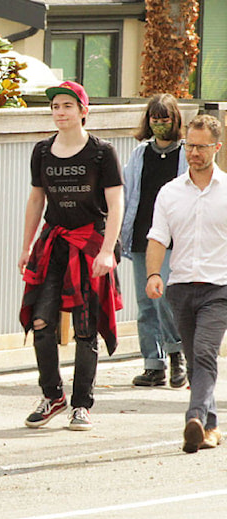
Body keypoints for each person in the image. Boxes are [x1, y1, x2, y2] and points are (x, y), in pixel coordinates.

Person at [20, 81, 123, 431]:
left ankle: (82, 404)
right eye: (55, 107)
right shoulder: (42, 151)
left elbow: (115, 202)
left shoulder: (101, 152)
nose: (60, 112)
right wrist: (26, 246)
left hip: (90, 243)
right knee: (41, 323)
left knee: (85, 329)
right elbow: (37, 200)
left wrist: (107, 250)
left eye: (67, 106)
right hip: (54, 244)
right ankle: (53, 396)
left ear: (83, 110)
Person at [146, 114, 227, 453]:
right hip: (180, 287)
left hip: (219, 288)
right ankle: (209, 428)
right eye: (189, 146)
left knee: (206, 352)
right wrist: (153, 274)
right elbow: (157, 239)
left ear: (217, 148)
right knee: (195, 361)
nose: (193, 153)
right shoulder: (170, 193)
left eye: (201, 146)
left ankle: (193, 417)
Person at [121, 94, 186, 388]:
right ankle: (153, 363)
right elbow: (126, 193)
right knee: (145, 303)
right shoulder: (139, 154)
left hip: (172, 240)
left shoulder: (185, 154)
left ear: (175, 121)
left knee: (166, 302)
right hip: (140, 237)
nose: (160, 124)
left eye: (165, 119)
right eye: (154, 119)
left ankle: (177, 355)